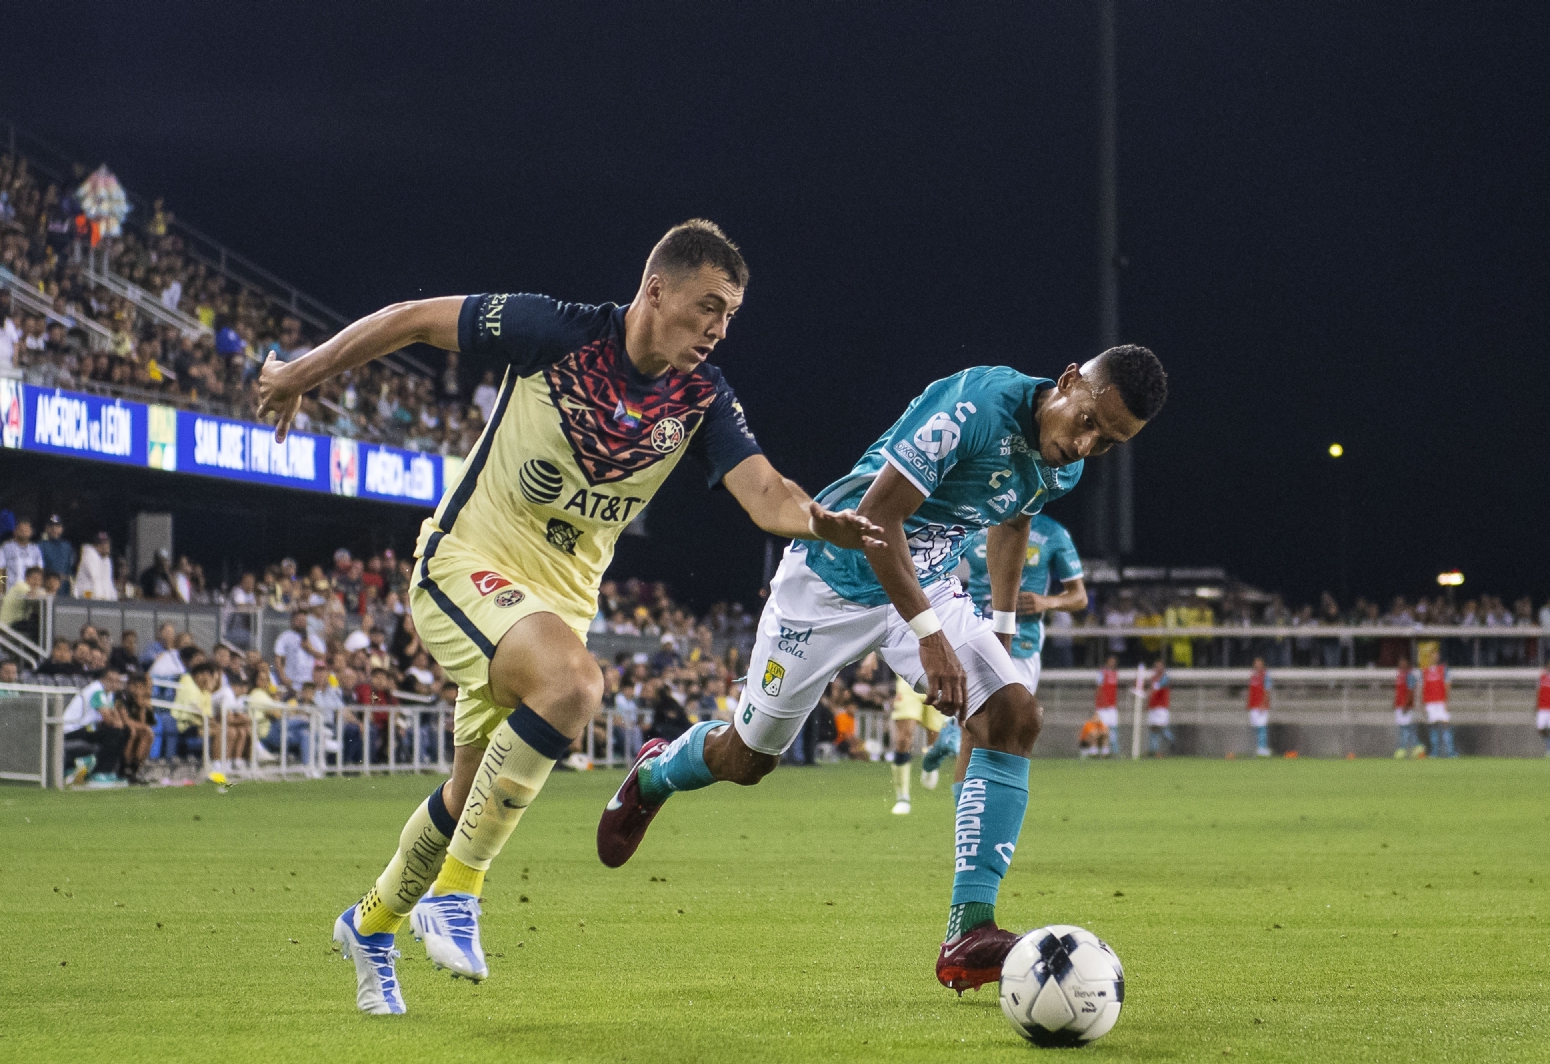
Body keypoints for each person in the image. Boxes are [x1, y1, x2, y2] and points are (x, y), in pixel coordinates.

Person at [256, 219, 883, 1014]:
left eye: (730, 316)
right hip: (465, 563)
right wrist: (303, 373)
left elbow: (766, 493)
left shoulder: (700, 397)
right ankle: (458, 893)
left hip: (553, 606)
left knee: (464, 797)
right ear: (656, 290)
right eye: (709, 307)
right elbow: (411, 315)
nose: (720, 329)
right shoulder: (554, 330)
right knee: (575, 686)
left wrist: (816, 518)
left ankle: (371, 925)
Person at [597, 344, 1166, 996]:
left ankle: (968, 930)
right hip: (830, 581)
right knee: (747, 760)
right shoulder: (976, 406)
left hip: (924, 587)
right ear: (1067, 381)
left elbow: (1013, 520)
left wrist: (1000, 632)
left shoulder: (1062, 465)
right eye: (1089, 420)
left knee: (1013, 715)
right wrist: (930, 636)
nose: (1089, 443)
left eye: (1110, 441)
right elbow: (875, 517)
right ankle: (658, 772)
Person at [963, 513, 1086, 709]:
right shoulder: (976, 520)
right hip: (974, 635)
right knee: (970, 722)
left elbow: (1079, 596)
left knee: (1013, 721)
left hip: (1022, 642)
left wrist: (1046, 602)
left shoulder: (1052, 532)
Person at [886, 675, 949, 815]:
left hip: (937, 677)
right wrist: (871, 657)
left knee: (934, 736)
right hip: (908, 677)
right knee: (904, 738)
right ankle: (902, 797)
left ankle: (930, 764)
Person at [60, 667, 128, 786]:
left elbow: (115, 718)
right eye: (111, 680)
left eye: (116, 681)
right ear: (103, 679)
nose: (114, 684)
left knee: (123, 732)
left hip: (87, 728)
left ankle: (109, 772)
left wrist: (119, 724)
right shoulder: (97, 691)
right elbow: (108, 718)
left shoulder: (109, 693)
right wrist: (118, 723)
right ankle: (99, 772)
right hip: (72, 729)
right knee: (113, 733)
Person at [1420, 654, 1456, 758]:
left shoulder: (1444, 669)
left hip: (1440, 702)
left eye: (1436, 655)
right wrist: (1423, 703)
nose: (1434, 657)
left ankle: (1450, 751)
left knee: (1446, 725)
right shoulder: (1425, 671)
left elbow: (1447, 685)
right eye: (1432, 655)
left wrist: (1446, 701)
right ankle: (1435, 752)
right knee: (1433, 726)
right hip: (1430, 702)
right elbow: (1423, 687)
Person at [0, 518, 43, 588]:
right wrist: (0, 590)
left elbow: (40, 570)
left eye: (26, 530)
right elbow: (0, 570)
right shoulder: (5, 547)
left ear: (31, 532)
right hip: (11, 591)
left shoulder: (35, 549)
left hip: (30, 592)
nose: (24, 532)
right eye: (21, 530)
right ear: (15, 531)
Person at [37, 515, 75, 595]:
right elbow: (39, 569)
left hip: (64, 589)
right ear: (47, 528)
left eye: (57, 526)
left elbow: (70, 569)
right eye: (51, 527)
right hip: (46, 588)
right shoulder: (40, 546)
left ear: (62, 529)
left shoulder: (67, 546)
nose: (54, 529)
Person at [73, 531, 117, 600]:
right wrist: (100, 599)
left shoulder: (106, 560)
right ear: (97, 546)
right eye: (103, 544)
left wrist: (114, 600)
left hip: (98, 601)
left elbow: (108, 583)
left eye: (107, 543)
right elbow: (95, 578)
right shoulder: (90, 555)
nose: (107, 546)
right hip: (84, 598)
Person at [1392, 655, 1419, 757]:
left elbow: (1411, 691)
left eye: (1403, 662)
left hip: (1405, 705)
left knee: (1405, 727)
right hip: (1399, 705)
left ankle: (1402, 749)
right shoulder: (1400, 674)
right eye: (1400, 663)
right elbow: (1399, 691)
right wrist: (1395, 702)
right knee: (1407, 727)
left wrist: (1407, 704)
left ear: (1407, 663)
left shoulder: (1409, 675)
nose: (1401, 664)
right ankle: (1417, 747)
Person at [1146, 660, 1173, 757]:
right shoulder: (1153, 678)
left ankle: (1173, 742)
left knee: (1161, 728)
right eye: (1156, 666)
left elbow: (1157, 687)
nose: (1158, 668)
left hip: (1161, 707)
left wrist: (1149, 691)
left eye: (1160, 666)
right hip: (1153, 706)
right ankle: (1153, 750)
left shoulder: (1165, 678)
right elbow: (1152, 691)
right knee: (1153, 728)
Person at [1094, 656, 1120, 756]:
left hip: (1112, 706)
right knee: (1101, 729)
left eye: (1114, 662)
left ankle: (1113, 751)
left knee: (1113, 728)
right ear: (1107, 662)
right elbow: (1098, 688)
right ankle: (1097, 751)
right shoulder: (1101, 673)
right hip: (1102, 707)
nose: (1112, 663)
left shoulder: (1115, 673)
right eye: (1110, 662)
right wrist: (1102, 702)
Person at [1247, 657, 1273, 757]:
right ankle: (1257, 748)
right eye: (1256, 664)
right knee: (1256, 727)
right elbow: (1251, 690)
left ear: (1262, 665)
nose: (1257, 665)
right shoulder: (1252, 674)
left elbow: (1267, 690)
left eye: (1259, 664)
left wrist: (1263, 703)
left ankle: (1262, 748)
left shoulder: (1266, 675)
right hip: (1253, 705)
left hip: (1262, 705)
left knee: (1262, 727)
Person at [1536, 665, 1550, 757]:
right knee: (1540, 729)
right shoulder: (1542, 677)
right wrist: (1536, 704)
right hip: (1542, 708)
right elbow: (1538, 690)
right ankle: (1548, 747)